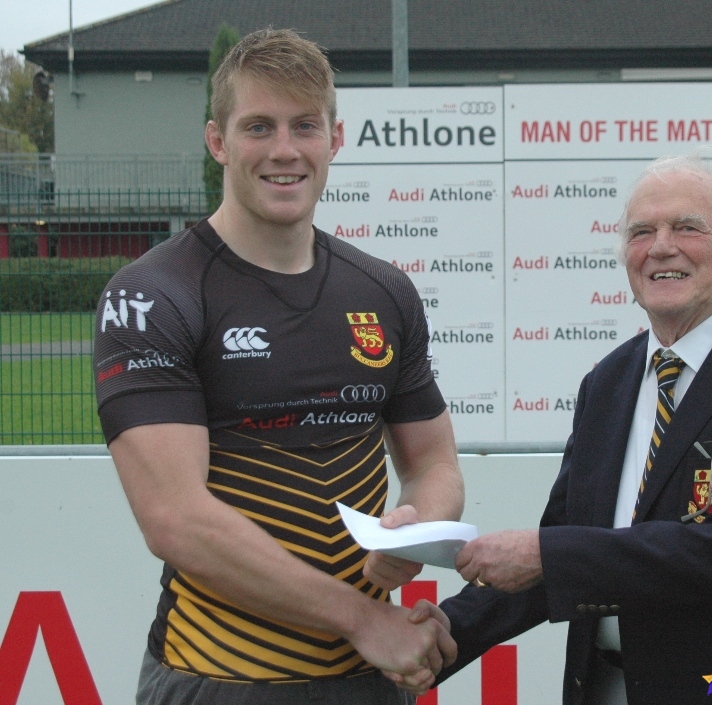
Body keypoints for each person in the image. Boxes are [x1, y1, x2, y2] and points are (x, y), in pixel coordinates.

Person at [409, 154, 712, 704]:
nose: (661, 247)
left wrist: (548, 555)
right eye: (641, 232)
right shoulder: (608, 382)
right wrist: (445, 635)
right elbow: (565, 540)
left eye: (688, 228)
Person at [92, 28, 463, 705]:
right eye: (258, 126)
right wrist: (361, 620)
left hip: (370, 678)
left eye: (304, 126)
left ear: (334, 139)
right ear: (218, 141)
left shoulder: (383, 291)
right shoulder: (153, 294)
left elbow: (434, 463)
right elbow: (174, 518)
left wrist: (415, 530)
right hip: (219, 679)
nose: (285, 149)